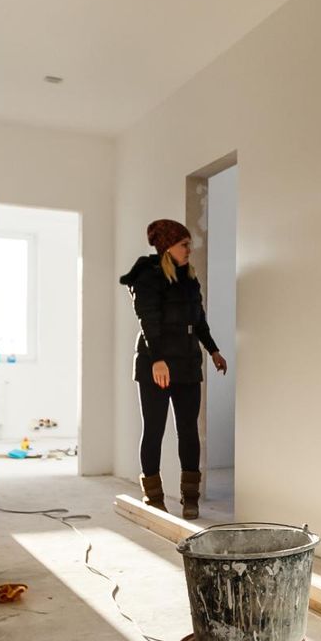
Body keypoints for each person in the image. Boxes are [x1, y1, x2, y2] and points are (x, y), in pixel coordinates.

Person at [119, 218, 227, 518]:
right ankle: (153, 497)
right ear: (167, 247)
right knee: (154, 430)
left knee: (188, 431)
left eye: (188, 244)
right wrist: (157, 359)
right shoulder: (147, 277)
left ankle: (189, 497)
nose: (189, 249)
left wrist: (214, 350)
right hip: (157, 364)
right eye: (183, 244)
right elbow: (147, 320)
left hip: (187, 363)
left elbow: (199, 320)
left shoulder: (189, 278)